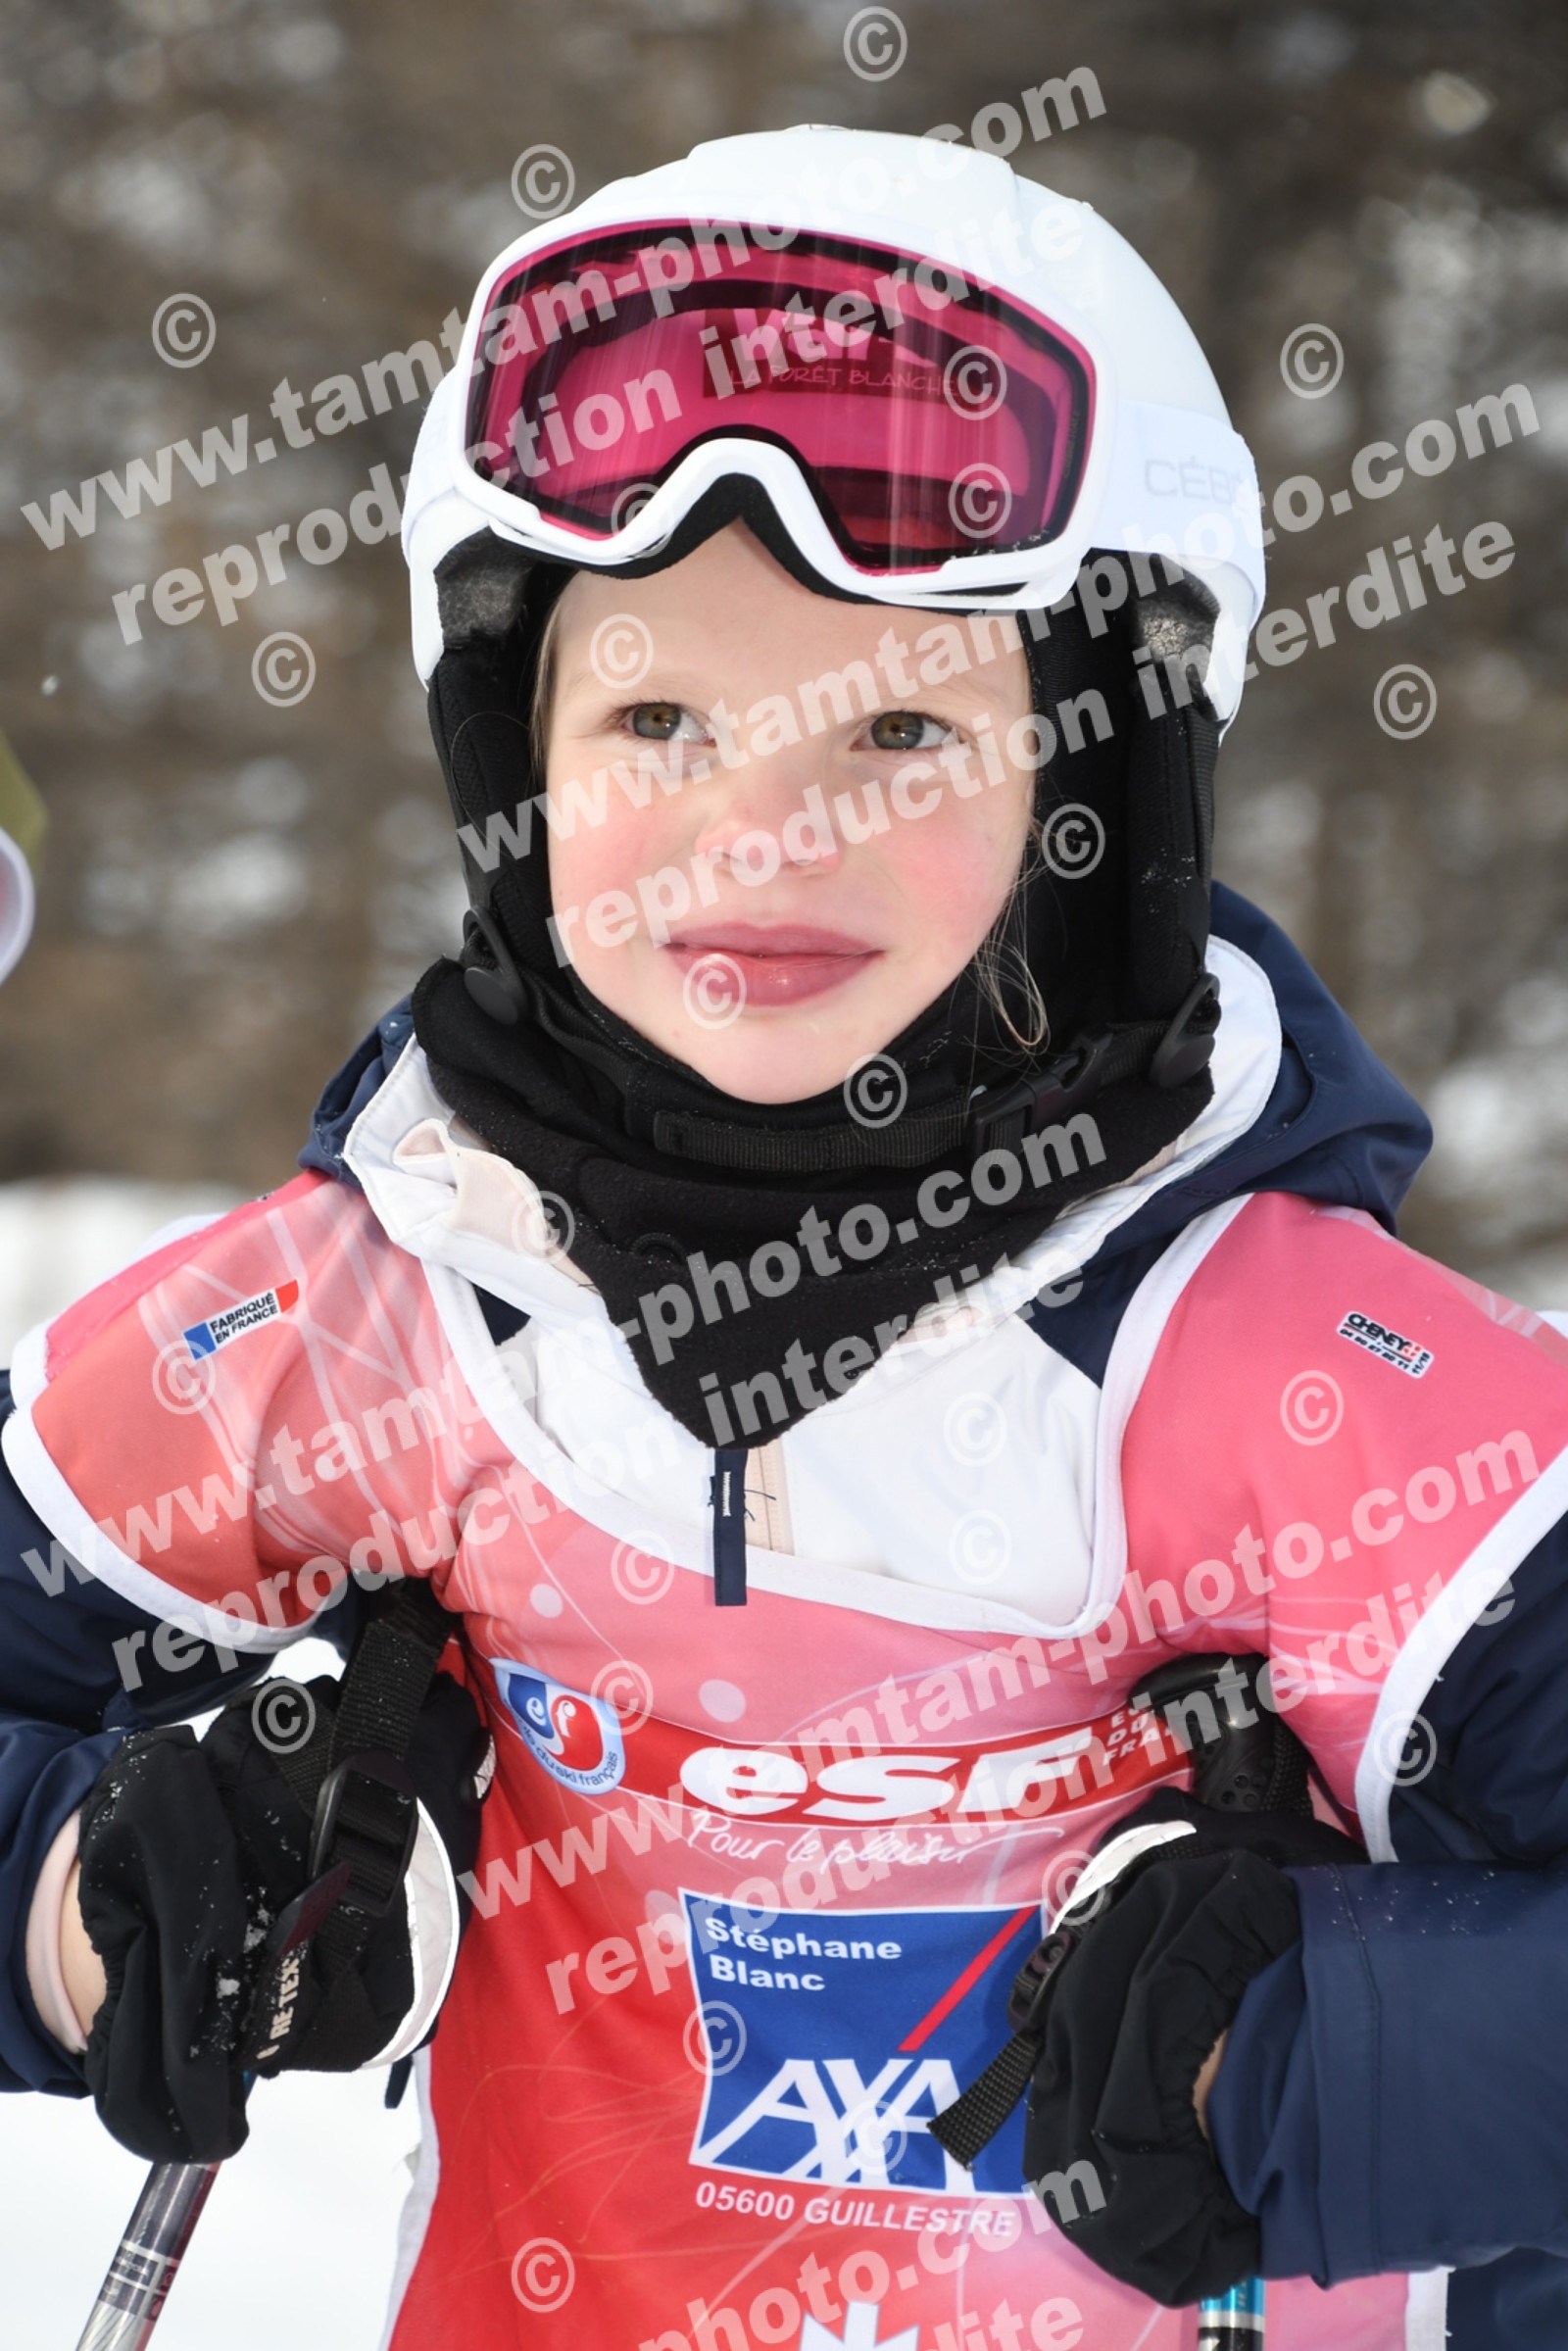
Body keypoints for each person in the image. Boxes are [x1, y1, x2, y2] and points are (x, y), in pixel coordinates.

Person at [3, 122, 1567, 2351]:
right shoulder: (372, 1314)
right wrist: (104, 1901)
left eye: (904, 731)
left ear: (1091, 794)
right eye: (655, 717)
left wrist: (1341, 2051)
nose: (762, 833)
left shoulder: (1305, 1387)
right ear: (514, 766)